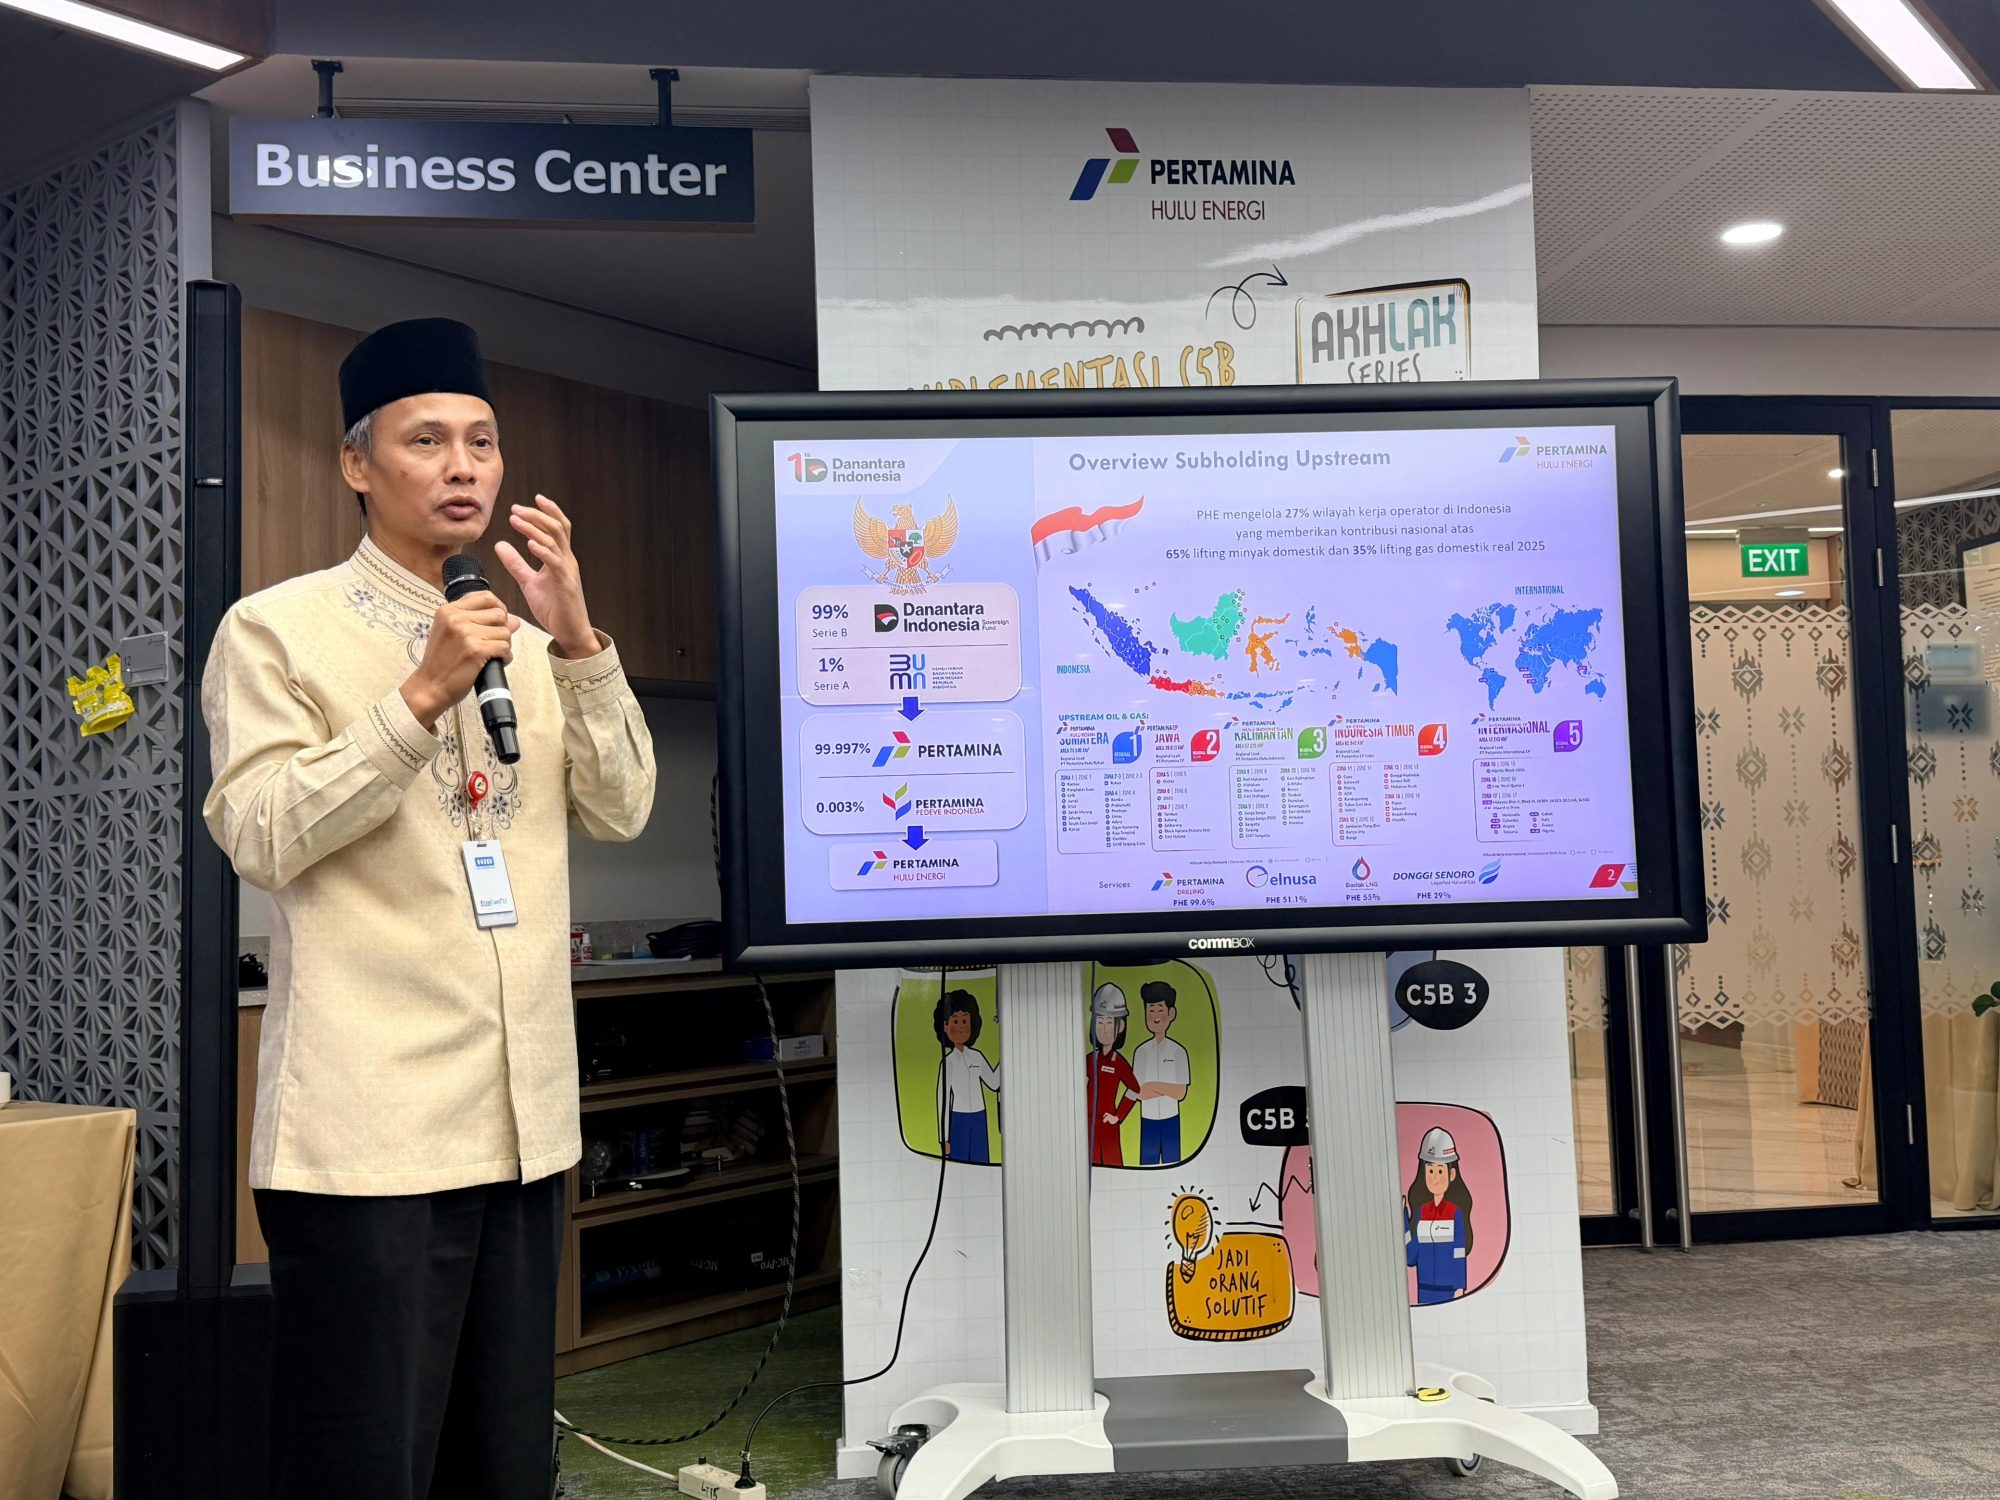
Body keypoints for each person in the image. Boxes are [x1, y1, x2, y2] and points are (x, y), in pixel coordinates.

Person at [200, 318, 657, 1500]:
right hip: (368, 1136)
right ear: (356, 463)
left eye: (482, 442)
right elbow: (260, 832)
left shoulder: (531, 642)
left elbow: (622, 808)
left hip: (522, 1125)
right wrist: (417, 697)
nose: (464, 466)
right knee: (363, 1468)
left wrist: (579, 641)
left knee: (502, 1468)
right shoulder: (276, 630)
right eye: (427, 441)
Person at [1404, 1125, 1476, 1306]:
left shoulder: (1455, 1214)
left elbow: (1458, 1254)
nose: (1435, 1178)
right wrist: (1402, 1219)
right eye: (1430, 1171)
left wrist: (1460, 1289)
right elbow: (1411, 1258)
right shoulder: (1420, 1213)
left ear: (1452, 1174)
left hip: (1450, 1292)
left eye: (1440, 1171)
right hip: (1424, 1291)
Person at [933, 988, 999, 1163]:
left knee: (981, 1163)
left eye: (965, 1020)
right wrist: (944, 1138)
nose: (961, 1027)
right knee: (959, 1165)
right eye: (956, 1021)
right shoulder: (948, 1062)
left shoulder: (977, 1056)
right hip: (958, 1120)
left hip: (979, 1118)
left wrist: (1005, 1057)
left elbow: (993, 1083)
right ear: (945, 1026)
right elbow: (942, 1101)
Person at [1130, 979, 1190, 1166]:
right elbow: (1139, 1092)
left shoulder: (1178, 1052)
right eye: (1151, 1011)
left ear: (1171, 1014)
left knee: (1174, 1165)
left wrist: (1152, 1086)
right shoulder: (1141, 1052)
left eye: (1159, 1010)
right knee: (1147, 1167)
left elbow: (1180, 1093)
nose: (1155, 1016)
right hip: (1148, 1120)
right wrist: (1165, 1089)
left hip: (1171, 1119)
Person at [1086, 982, 1139, 1166]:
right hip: (1087, 1125)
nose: (1104, 1029)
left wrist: (1118, 1116)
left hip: (1108, 1126)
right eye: (1100, 1022)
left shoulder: (1119, 1062)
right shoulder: (1088, 1060)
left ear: (1120, 1026)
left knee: (1113, 1166)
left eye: (1109, 1023)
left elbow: (1134, 1089)